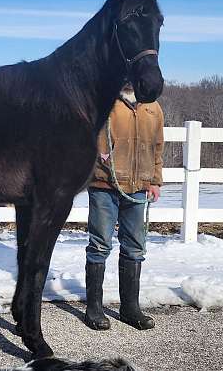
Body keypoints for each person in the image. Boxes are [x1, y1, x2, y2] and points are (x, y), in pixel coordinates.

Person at [84, 83, 164, 331]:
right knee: (100, 244)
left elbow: (157, 146)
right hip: (104, 184)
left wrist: (155, 181)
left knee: (135, 247)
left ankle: (130, 307)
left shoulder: (153, 107)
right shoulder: (103, 99)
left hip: (138, 186)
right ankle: (94, 308)